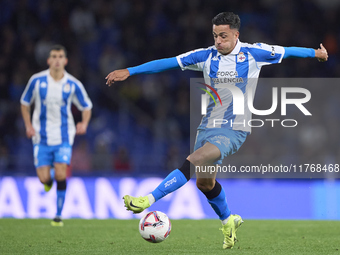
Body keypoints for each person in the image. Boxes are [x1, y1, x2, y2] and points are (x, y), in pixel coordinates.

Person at [105, 12, 328, 249]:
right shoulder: (205, 56)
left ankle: (147, 199)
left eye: (223, 36)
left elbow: (288, 50)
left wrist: (317, 53)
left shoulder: (254, 53)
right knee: (205, 184)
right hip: (206, 127)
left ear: (236, 35)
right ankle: (228, 220)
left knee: (196, 158)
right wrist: (130, 71)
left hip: (234, 129)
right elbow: (167, 62)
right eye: (215, 36)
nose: (218, 41)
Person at [20, 45, 92, 226]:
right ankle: (47, 180)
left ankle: (58, 215)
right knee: (45, 178)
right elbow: (24, 103)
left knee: (61, 173)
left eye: (61, 56)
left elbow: (87, 106)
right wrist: (28, 126)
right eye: (54, 56)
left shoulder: (73, 84)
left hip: (64, 136)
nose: (57, 59)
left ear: (65, 61)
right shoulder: (37, 81)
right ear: (48, 60)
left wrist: (84, 123)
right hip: (40, 137)